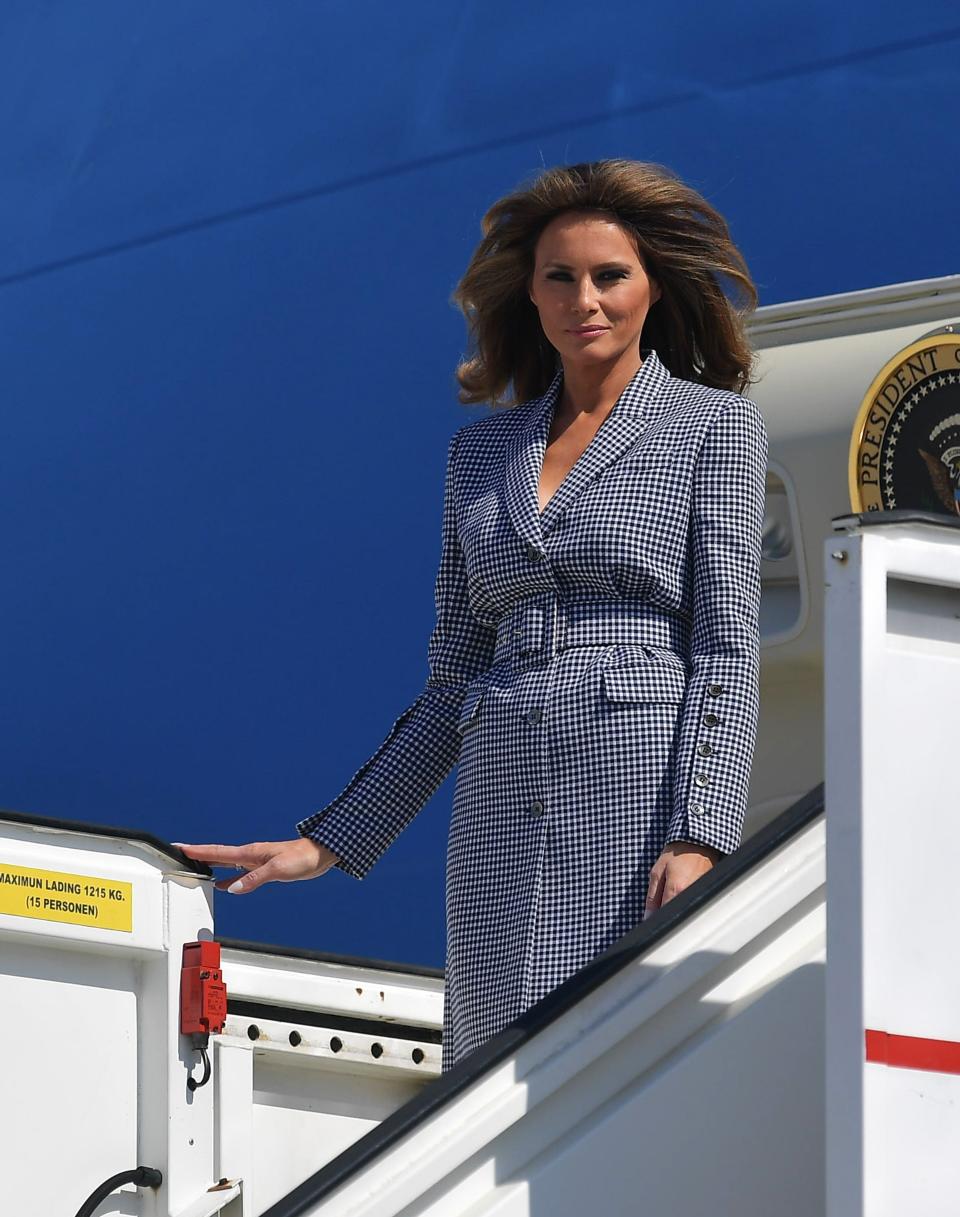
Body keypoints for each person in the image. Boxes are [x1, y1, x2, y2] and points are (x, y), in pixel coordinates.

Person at [178, 158, 768, 1074]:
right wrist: (328, 840)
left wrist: (698, 835)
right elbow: (453, 677)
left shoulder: (712, 427)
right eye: (559, 277)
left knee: (617, 1056)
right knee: (491, 1066)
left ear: (653, 285)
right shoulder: (479, 457)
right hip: (497, 789)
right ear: (529, 293)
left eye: (610, 275)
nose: (587, 300)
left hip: (635, 773)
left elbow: (726, 649)